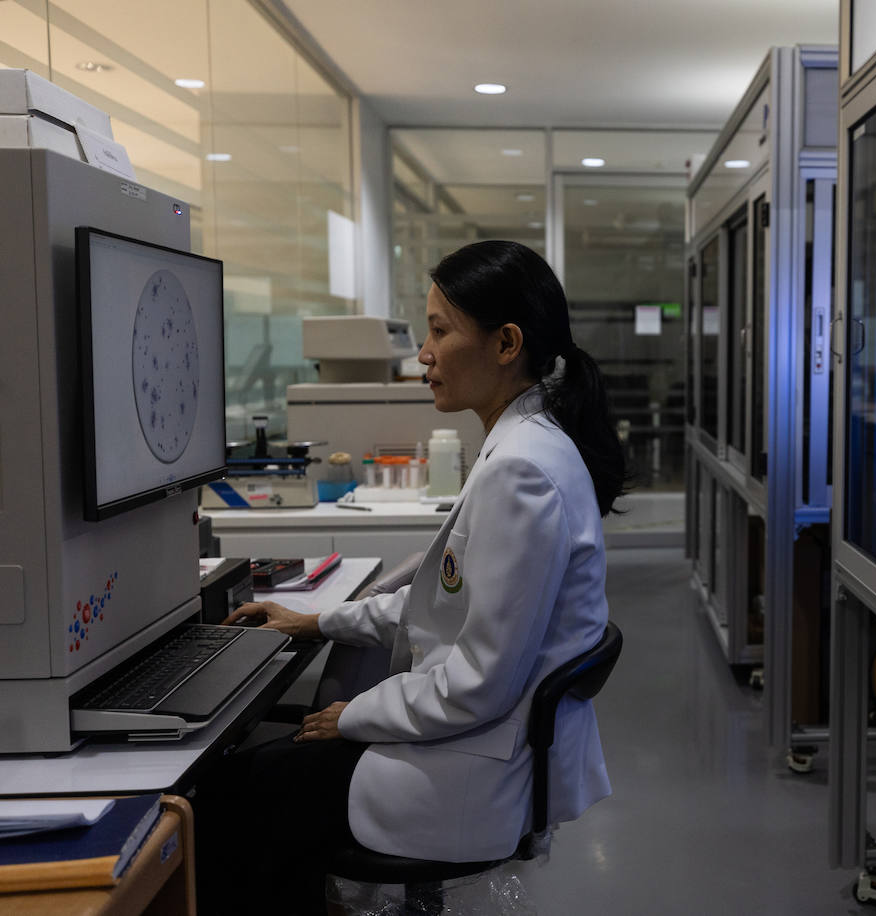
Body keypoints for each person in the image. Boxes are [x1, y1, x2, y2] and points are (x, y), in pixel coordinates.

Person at [195, 240, 629, 915]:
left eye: (439, 330)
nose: (422, 354)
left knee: (233, 795)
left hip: (477, 763)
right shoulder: (521, 448)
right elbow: (444, 604)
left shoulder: (522, 472)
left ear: (506, 343)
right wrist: (316, 620)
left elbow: (481, 682)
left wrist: (354, 717)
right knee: (262, 775)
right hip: (478, 737)